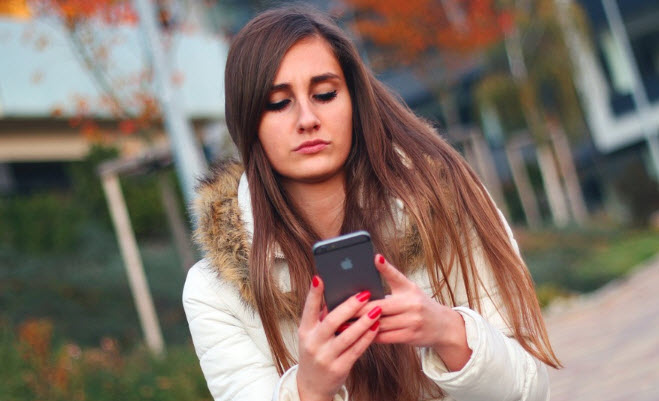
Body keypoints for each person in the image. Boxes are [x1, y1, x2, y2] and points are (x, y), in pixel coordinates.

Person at [183, 5, 560, 401]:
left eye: (324, 94)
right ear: (247, 122)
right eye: (279, 103)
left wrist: (449, 332)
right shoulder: (214, 293)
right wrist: (308, 389)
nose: (307, 118)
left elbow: (530, 390)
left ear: (353, 100)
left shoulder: (447, 205)